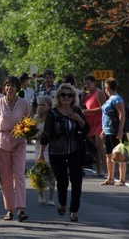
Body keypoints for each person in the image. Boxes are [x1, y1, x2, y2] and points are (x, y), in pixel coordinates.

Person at [38, 83, 89, 222]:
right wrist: (41, 154)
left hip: (75, 151)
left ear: (73, 97)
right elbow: (46, 134)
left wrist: (78, 119)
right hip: (56, 152)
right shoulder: (53, 113)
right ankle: (62, 203)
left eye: (70, 95)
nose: (66, 98)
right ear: (59, 96)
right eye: (63, 95)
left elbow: (87, 129)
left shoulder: (77, 111)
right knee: (62, 181)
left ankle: (74, 211)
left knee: (77, 181)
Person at [0, 76, 30, 222]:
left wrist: (28, 133)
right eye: (7, 85)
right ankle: (9, 210)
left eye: (13, 86)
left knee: (19, 175)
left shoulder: (24, 104)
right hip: (1, 141)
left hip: (19, 142)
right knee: (5, 179)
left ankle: (21, 209)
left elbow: (28, 122)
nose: (9, 88)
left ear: (17, 88)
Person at [100, 78, 128, 186]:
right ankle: (110, 178)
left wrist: (120, 130)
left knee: (119, 154)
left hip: (115, 131)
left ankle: (122, 179)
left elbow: (122, 114)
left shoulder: (117, 99)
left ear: (106, 88)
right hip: (107, 131)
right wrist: (103, 129)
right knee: (109, 155)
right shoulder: (109, 99)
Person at [81, 74, 107, 177]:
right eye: (85, 84)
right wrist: (83, 95)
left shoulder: (98, 93)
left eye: (88, 83)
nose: (87, 85)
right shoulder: (87, 95)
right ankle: (98, 169)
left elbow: (103, 107)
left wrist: (90, 111)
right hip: (90, 123)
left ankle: (106, 168)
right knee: (93, 147)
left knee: (99, 145)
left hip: (99, 122)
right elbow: (82, 105)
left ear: (93, 83)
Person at [33, 96, 55, 206]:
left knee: (51, 173)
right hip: (38, 148)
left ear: (49, 106)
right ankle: (41, 194)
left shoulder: (53, 118)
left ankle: (51, 197)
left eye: (43, 105)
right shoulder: (36, 119)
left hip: (51, 149)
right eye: (39, 105)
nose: (41, 107)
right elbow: (30, 135)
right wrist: (36, 135)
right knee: (40, 173)